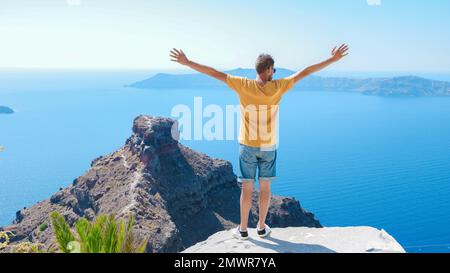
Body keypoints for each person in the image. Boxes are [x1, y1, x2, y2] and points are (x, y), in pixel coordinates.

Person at [169, 44, 349, 240]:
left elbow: (214, 73)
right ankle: (262, 227)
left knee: (246, 189)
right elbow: (305, 72)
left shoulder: (243, 85)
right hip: (268, 146)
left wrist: (187, 62)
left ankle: (244, 230)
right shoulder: (278, 87)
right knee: (265, 188)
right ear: (269, 69)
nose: (275, 73)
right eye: (274, 69)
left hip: (247, 146)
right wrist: (332, 59)